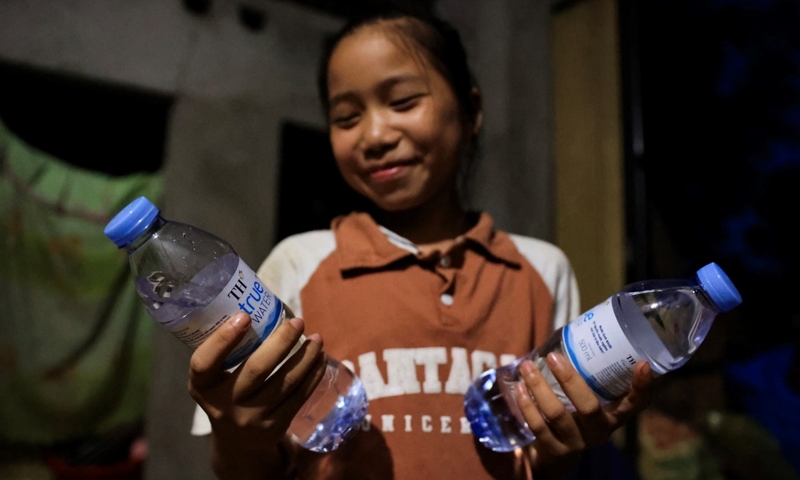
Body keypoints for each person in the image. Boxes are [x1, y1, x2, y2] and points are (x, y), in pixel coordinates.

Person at [186, 9, 653, 480]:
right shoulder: (299, 262)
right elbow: (246, 467)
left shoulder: (540, 269)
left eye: (404, 102)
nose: (375, 136)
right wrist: (236, 433)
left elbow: (549, 457)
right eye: (346, 117)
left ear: (472, 110)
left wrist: (562, 450)